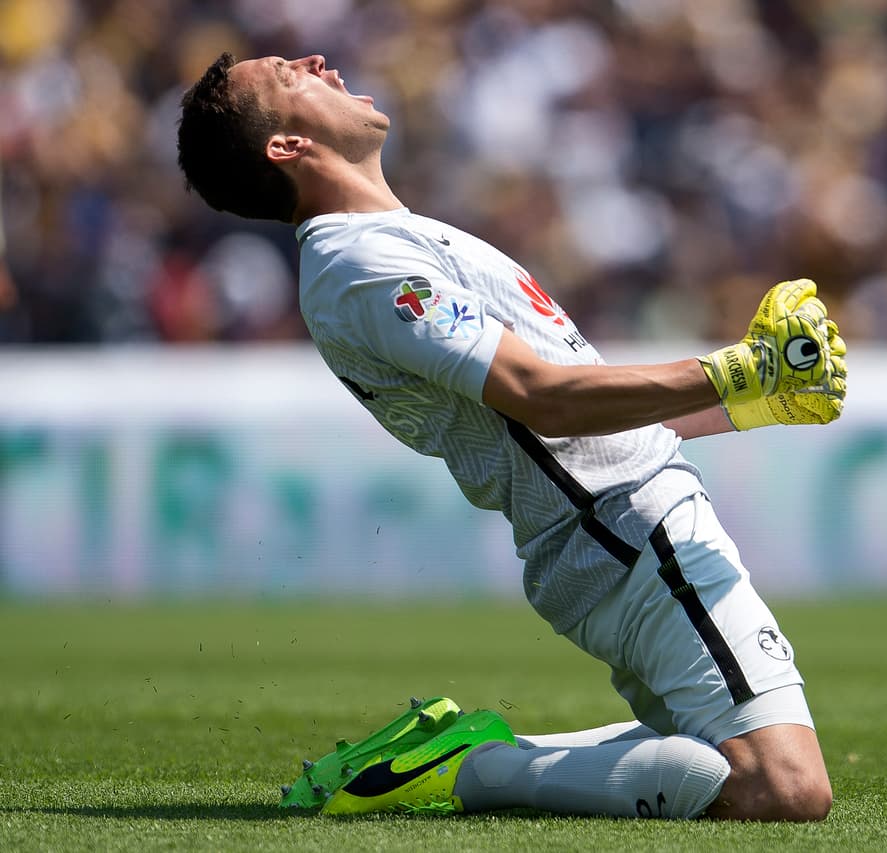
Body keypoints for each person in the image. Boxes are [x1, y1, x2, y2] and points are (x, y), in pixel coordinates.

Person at [177, 52, 847, 822]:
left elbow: (568, 408)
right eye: (288, 75)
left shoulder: (389, 238)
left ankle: (464, 756)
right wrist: (739, 368)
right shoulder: (360, 264)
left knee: (721, 764)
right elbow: (543, 400)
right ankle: (472, 767)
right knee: (783, 788)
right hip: (626, 528)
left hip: (623, 523)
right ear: (284, 147)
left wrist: (755, 401)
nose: (315, 60)